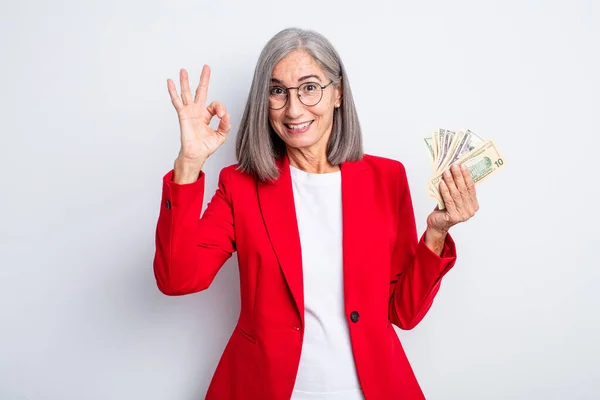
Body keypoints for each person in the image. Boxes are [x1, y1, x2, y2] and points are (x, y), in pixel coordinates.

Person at [153, 27, 479, 400]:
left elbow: (403, 312)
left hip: (369, 389)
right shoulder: (241, 186)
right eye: (278, 91)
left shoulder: (387, 179)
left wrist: (436, 233)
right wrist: (189, 165)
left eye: (310, 87)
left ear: (337, 93)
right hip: (266, 388)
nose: (293, 109)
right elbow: (177, 279)